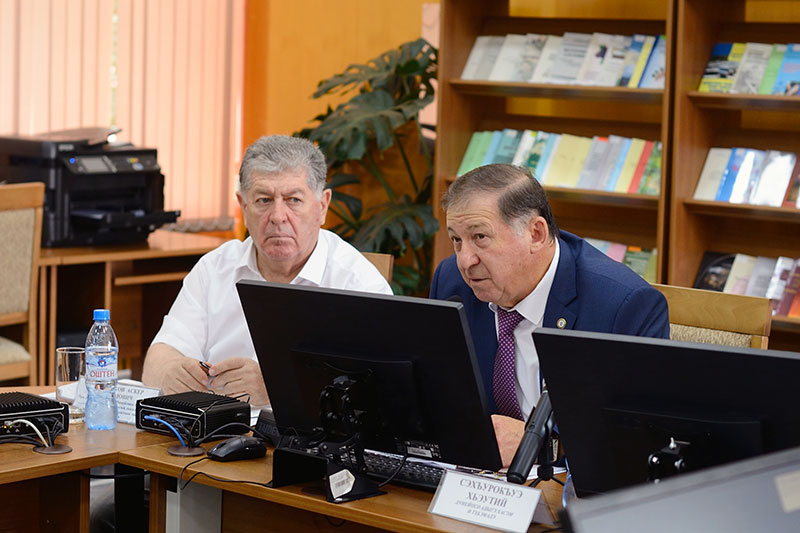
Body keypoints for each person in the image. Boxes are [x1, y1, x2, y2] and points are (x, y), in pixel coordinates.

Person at [429, 163, 669, 466]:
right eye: (456, 240)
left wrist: (543, 446)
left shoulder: (622, 305)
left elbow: (638, 440)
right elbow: (439, 399)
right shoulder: (452, 283)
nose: (465, 261)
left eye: (480, 237)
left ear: (536, 234)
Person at [141, 135, 392, 405]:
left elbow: (378, 393)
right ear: (243, 206)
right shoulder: (214, 269)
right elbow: (159, 357)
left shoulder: (358, 283)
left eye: (293, 200)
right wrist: (170, 373)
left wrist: (278, 387)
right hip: (216, 424)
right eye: (264, 200)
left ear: (322, 206)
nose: (278, 216)